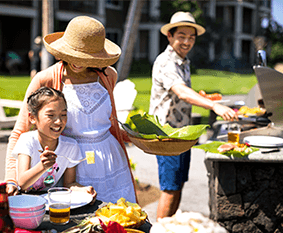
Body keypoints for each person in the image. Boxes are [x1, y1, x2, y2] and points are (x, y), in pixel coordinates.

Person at [5, 16, 136, 204]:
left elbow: (104, 124)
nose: (77, 61)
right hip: (71, 164)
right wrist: (11, 178)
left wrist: (140, 139)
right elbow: (20, 131)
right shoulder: (46, 79)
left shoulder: (108, 75)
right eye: (73, 54)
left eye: (84, 56)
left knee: (120, 218)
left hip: (111, 161)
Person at [149, 11, 238, 219]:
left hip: (182, 134)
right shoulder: (166, 62)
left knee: (178, 185)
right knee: (169, 189)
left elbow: (179, 93)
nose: (187, 41)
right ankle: (159, 228)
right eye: (182, 36)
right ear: (169, 36)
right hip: (167, 135)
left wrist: (202, 96)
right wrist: (213, 107)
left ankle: (168, 228)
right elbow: (181, 92)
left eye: (191, 37)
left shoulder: (183, 61)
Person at [12, 87, 96, 201]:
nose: (59, 121)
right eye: (50, 115)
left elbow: (69, 183)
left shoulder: (70, 146)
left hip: (51, 203)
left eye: (63, 114)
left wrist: (83, 190)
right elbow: (22, 183)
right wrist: (42, 166)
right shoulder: (27, 141)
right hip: (25, 201)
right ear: (32, 118)